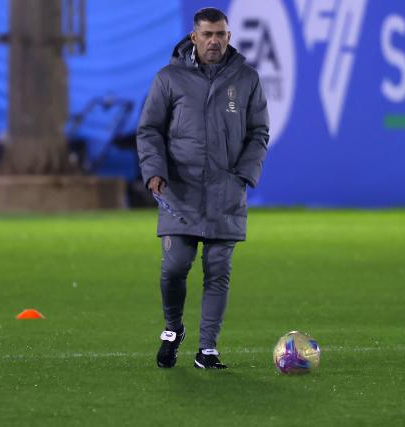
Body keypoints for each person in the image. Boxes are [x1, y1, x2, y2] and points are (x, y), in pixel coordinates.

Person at [137, 7, 269, 369]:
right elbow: (149, 130)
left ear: (229, 36)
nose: (215, 41)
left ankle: (207, 348)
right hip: (179, 191)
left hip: (226, 192)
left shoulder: (246, 78)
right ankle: (172, 329)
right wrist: (154, 171)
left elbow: (259, 132)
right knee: (174, 267)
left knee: (218, 269)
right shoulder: (169, 78)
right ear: (194, 37)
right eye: (208, 34)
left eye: (221, 34)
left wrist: (243, 175)